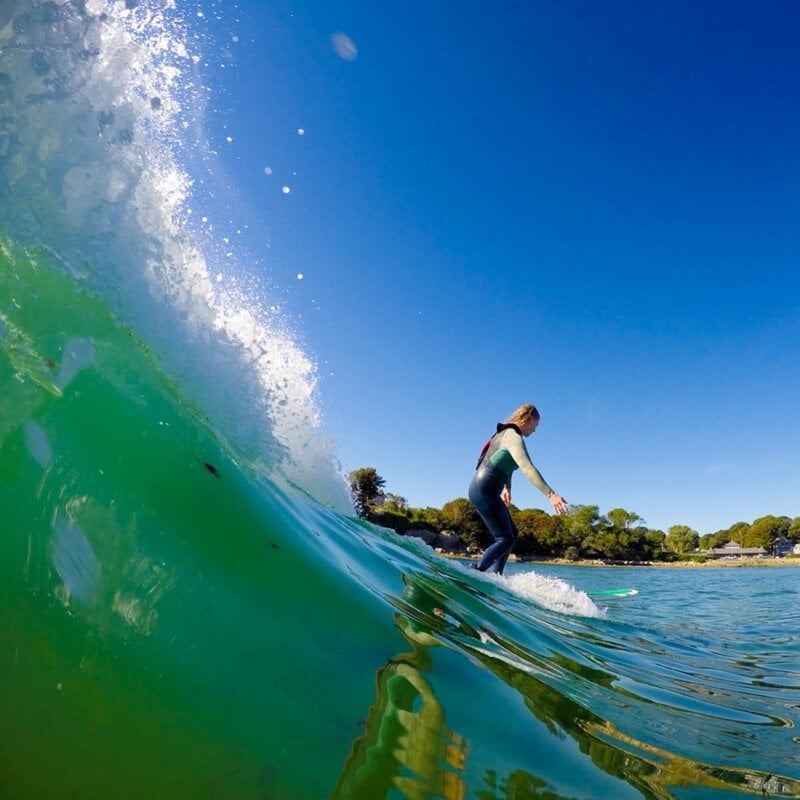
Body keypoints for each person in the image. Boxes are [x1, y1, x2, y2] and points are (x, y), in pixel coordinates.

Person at [469, 403, 567, 574]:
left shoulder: (507, 435)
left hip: (486, 490)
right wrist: (550, 494)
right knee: (504, 538)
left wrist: (508, 488)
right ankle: (477, 571)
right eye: (535, 425)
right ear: (528, 420)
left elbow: (505, 462)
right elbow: (527, 467)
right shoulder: (513, 436)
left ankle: (497, 575)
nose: (535, 431)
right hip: (483, 490)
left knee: (512, 534)